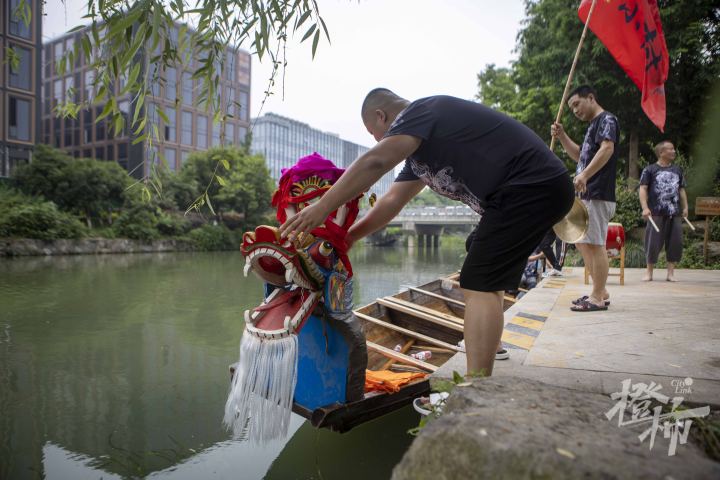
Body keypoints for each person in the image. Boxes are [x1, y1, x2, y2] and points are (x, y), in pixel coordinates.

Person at [279, 89, 574, 377]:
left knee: (478, 281)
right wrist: (352, 235)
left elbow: (375, 161)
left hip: (532, 187)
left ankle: (476, 385)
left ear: (382, 116)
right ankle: (490, 346)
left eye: (374, 134)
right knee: (479, 256)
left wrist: (321, 208)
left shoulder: (422, 111)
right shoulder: (418, 156)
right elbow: (393, 201)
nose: (379, 141)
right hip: (519, 195)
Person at [551, 85, 619, 312]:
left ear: (591, 97)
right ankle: (601, 290)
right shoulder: (592, 126)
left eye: (577, 104)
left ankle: (598, 297)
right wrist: (561, 136)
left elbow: (607, 148)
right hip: (586, 194)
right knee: (581, 241)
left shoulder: (607, 119)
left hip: (598, 192)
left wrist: (585, 175)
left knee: (596, 244)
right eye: (571, 109)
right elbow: (580, 155)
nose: (575, 111)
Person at [639, 141, 688, 282]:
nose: (674, 151)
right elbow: (643, 189)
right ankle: (649, 272)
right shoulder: (650, 170)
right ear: (661, 152)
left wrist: (684, 207)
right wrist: (645, 208)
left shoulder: (677, 170)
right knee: (652, 242)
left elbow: (681, 190)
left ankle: (670, 273)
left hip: (675, 212)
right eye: (671, 149)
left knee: (675, 242)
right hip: (656, 213)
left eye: (673, 149)